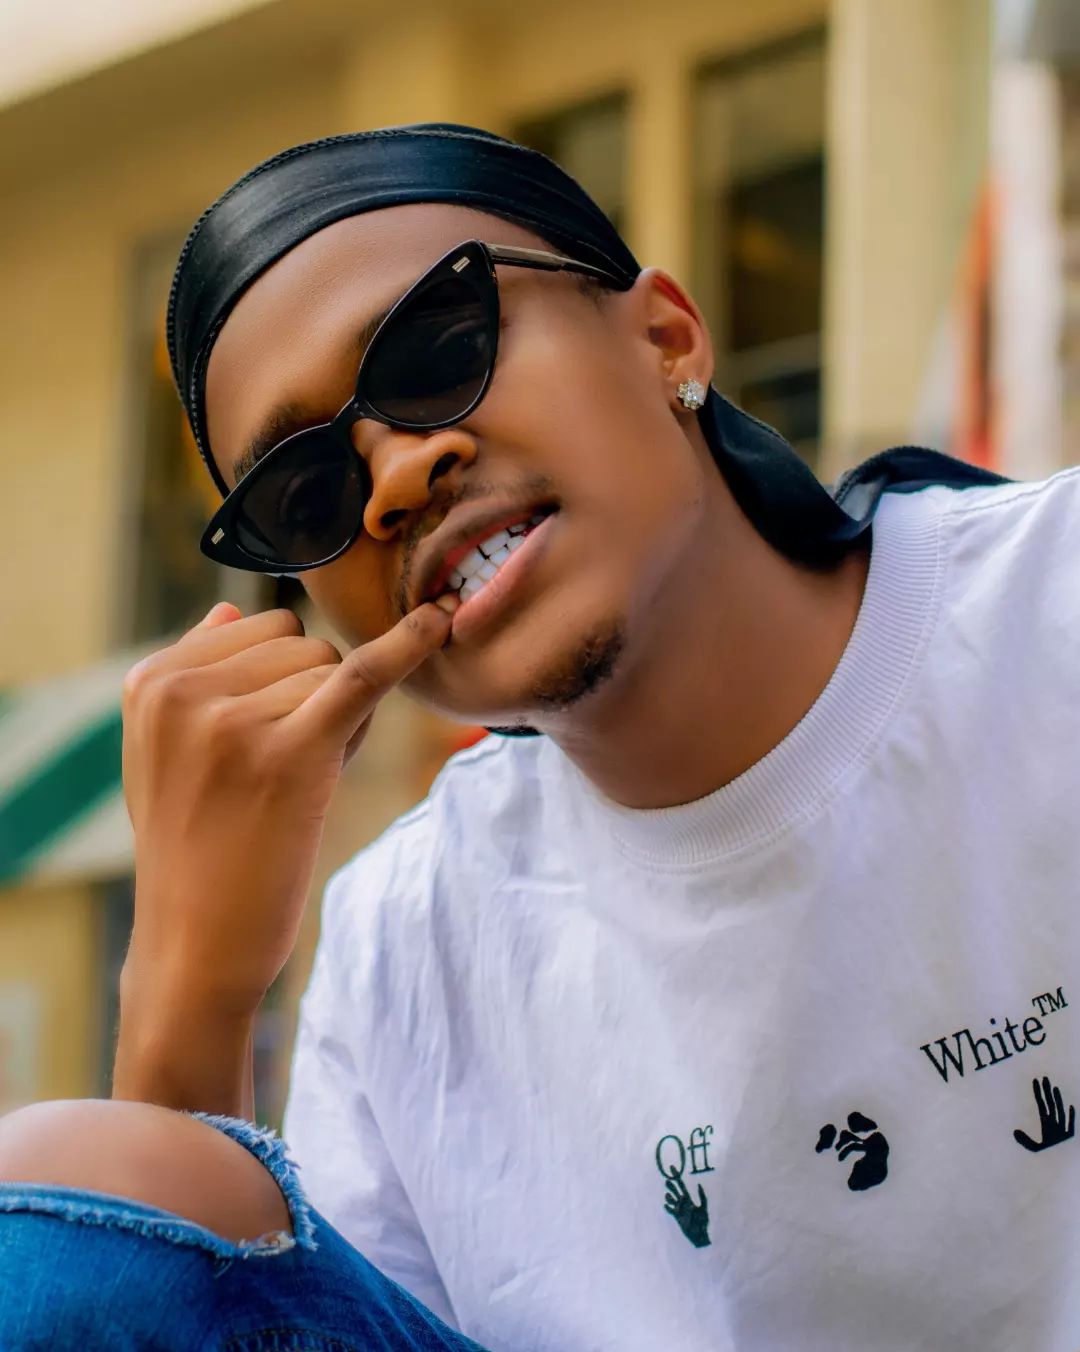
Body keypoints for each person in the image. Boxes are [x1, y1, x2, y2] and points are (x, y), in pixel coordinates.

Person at [1, 122, 1077, 1351]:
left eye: (437, 349)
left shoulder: (1052, 609)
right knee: (54, 1195)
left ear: (665, 338)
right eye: (307, 494)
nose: (395, 481)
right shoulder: (406, 942)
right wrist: (187, 992)